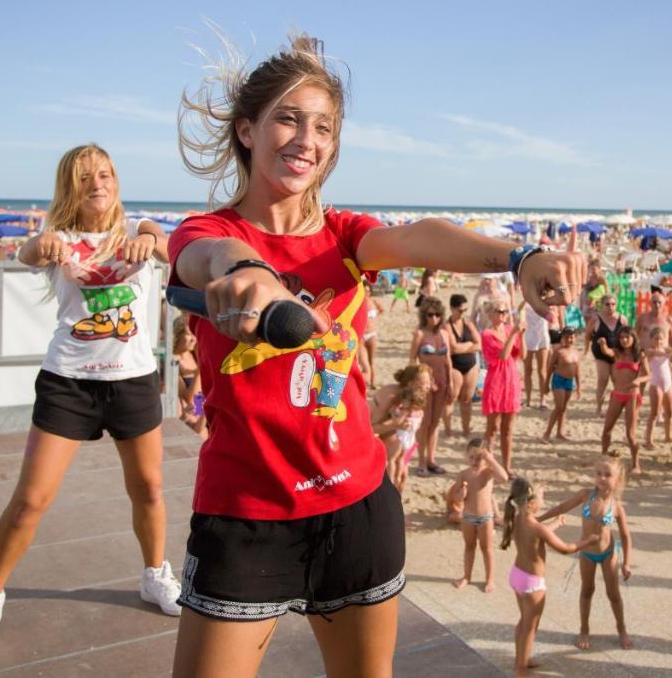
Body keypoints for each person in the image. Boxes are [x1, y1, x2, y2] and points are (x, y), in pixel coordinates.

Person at [167, 34, 584, 677]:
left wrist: (518, 257)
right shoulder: (212, 232)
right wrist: (247, 276)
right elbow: (207, 258)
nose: (307, 139)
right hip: (247, 512)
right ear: (247, 131)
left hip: (357, 506)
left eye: (324, 127)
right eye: (287, 118)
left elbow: (420, 237)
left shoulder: (347, 235)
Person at [0, 144, 177, 668]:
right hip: (68, 382)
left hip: (132, 380)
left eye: (105, 174)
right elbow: (27, 253)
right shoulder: (58, 241)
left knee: (147, 488)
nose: (97, 183)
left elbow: (167, 249)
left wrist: (149, 239)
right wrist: (43, 241)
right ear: (69, 188)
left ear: (116, 180)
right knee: (31, 500)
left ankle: (153, 575)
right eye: (84, 178)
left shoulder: (139, 231)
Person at [500, 476, 599, 676]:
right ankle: (520, 669)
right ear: (532, 503)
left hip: (517, 575)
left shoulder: (518, 518)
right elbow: (564, 548)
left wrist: (555, 523)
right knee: (531, 625)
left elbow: (539, 534)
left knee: (524, 621)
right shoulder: (536, 526)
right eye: (542, 496)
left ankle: (522, 658)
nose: (545, 500)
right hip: (532, 583)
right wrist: (587, 541)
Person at [537, 454, 634, 651]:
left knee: (613, 593)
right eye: (598, 473)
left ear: (617, 480)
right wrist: (539, 518)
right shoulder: (585, 495)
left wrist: (627, 563)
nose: (602, 478)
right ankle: (584, 628)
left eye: (608, 475)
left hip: (608, 554)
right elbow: (563, 506)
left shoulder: (616, 507)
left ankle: (622, 629)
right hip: (587, 552)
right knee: (587, 590)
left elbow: (625, 536)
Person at [450, 438, 509, 592]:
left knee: (487, 548)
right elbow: (455, 497)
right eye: (471, 457)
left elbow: (504, 477)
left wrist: (490, 459)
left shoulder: (488, 472)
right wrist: (461, 495)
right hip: (468, 517)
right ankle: (466, 576)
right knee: (469, 547)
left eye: (479, 458)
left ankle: (489, 579)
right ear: (466, 456)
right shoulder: (463, 474)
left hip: (485, 518)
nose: (475, 461)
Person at [370, 365, 431, 496]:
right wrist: (396, 425)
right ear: (410, 383)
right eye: (424, 382)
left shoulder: (416, 397)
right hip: (382, 436)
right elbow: (372, 428)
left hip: (403, 438)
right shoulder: (391, 396)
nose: (428, 386)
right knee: (392, 474)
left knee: (402, 476)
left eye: (429, 382)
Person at [410, 297, 454, 475]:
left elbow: (448, 360)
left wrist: (451, 383)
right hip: (425, 383)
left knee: (435, 423)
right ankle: (421, 461)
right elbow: (412, 359)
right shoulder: (420, 334)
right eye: (430, 315)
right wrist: (416, 382)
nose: (434, 318)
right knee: (424, 423)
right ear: (424, 315)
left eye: (437, 315)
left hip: (442, 380)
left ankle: (431, 459)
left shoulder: (444, 334)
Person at [482, 300, 525, 473]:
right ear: (491, 314)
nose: (503, 315)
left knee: (508, 429)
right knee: (493, 428)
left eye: (505, 312)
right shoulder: (487, 334)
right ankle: (489, 464)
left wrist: (521, 335)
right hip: (496, 381)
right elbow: (503, 355)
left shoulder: (508, 330)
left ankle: (507, 467)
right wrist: (514, 333)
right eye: (499, 311)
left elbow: (521, 354)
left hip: (511, 380)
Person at [601, 326, 648, 474]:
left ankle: (636, 464)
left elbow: (649, 375)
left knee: (630, 434)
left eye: (627, 337)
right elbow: (606, 351)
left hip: (632, 396)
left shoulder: (640, 355)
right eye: (622, 338)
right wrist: (602, 344)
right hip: (617, 394)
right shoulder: (617, 352)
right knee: (607, 429)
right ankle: (604, 456)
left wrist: (639, 380)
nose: (624, 340)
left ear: (633, 338)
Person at [586, 292, 628, 414]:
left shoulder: (622, 319)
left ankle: (617, 407)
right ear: (602, 305)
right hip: (600, 354)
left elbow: (628, 336)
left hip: (616, 354)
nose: (610, 307)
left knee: (617, 380)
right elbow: (588, 334)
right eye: (607, 304)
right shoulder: (595, 318)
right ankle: (599, 409)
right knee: (603, 379)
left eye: (613, 304)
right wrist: (592, 345)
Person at [445, 293, 481, 437]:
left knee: (467, 399)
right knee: (451, 398)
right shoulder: (447, 326)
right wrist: (470, 345)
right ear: (452, 309)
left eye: (465, 310)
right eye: (460, 310)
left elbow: (479, 345)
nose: (463, 313)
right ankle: (448, 430)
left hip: (470, 364)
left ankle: (466, 428)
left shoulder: (468, 324)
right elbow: (452, 348)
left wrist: (464, 346)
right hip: (454, 365)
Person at [542, 327, 581, 442]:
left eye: (572, 337)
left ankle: (560, 432)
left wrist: (579, 387)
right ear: (562, 338)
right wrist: (546, 384)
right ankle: (547, 433)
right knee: (559, 407)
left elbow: (578, 370)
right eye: (567, 337)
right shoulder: (559, 351)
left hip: (570, 381)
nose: (569, 340)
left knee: (564, 408)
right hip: (559, 380)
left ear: (575, 338)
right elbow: (549, 368)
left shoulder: (576, 352)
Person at [642, 325, 672, 450]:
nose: (659, 341)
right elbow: (656, 353)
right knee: (655, 413)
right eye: (656, 339)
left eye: (661, 339)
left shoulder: (665, 350)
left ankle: (668, 435)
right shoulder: (649, 351)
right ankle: (648, 440)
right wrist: (669, 353)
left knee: (670, 412)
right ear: (651, 339)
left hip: (668, 384)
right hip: (656, 385)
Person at [174, 315, 208, 439]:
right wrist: (200, 370)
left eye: (194, 334)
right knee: (200, 430)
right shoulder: (172, 362)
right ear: (178, 335)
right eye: (189, 334)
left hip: (203, 400)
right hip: (193, 404)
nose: (194, 339)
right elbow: (188, 398)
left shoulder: (194, 352)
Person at [520, 302, 553, 408]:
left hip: (542, 336)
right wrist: (527, 299)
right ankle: (528, 399)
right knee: (527, 369)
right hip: (528, 336)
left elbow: (551, 317)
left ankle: (543, 400)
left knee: (542, 371)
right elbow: (519, 310)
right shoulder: (527, 301)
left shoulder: (545, 301)